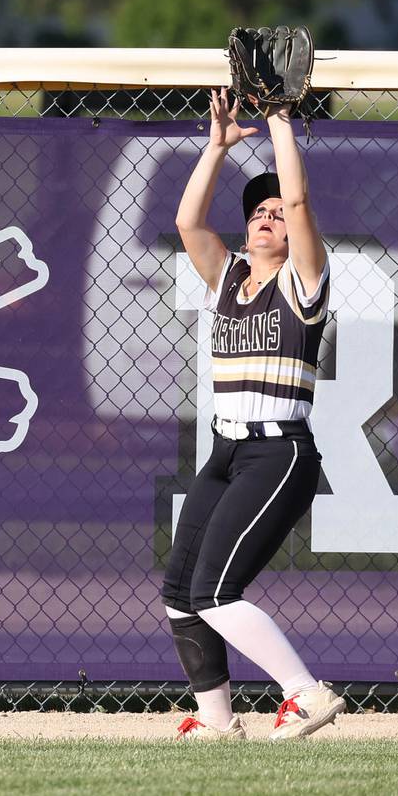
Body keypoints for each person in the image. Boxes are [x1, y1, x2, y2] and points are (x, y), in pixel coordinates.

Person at [161, 87, 345, 741]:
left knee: (215, 591)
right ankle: (217, 722)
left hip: (278, 453)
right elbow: (187, 223)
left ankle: (306, 693)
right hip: (227, 452)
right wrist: (215, 148)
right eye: (258, 213)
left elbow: (299, 201)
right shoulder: (229, 278)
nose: (269, 219)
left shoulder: (303, 281)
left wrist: (278, 123)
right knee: (181, 597)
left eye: (278, 215)